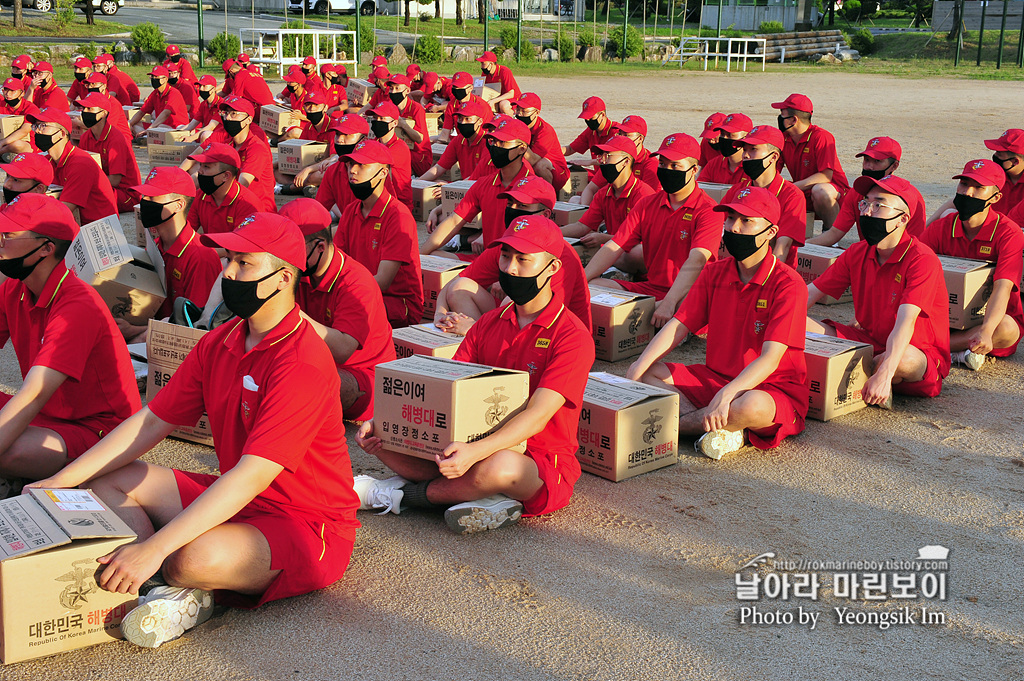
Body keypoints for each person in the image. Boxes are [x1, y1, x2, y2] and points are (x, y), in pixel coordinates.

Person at [27, 212, 360, 649]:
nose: (228, 273)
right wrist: (57, 483)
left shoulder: (302, 362)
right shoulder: (220, 340)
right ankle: (147, 582)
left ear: (282, 277)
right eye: (228, 260)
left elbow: (254, 473)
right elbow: (150, 422)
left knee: (192, 558)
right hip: (235, 494)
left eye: (244, 263)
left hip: (307, 521)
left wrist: (157, 549)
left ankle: (168, 573)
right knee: (104, 482)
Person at [354, 214, 593, 534]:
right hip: (472, 440)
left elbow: (538, 416)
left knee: (498, 467)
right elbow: (450, 385)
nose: (510, 268)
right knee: (383, 437)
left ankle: (400, 496)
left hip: (538, 459)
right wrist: (384, 420)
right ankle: (482, 496)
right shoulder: (488, 323)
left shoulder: (572, 336)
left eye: (523, 260)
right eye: (505, 256)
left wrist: (476, 453)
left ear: (552, 268)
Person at [627, 186, 808, 460]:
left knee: (750, 406)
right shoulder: (714, 272)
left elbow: (771, 360)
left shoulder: (788, 284)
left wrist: (727, 394)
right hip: (716, 377)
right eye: (730, 218)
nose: (734, 228)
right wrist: (638, 367)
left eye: (746, 221)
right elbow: (679, 325)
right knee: (650, 373)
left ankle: (671, 426)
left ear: (771, 232)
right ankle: (719, 428)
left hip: (770, 387)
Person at [0, 194, 140, 491]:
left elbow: (34, 394)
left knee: (13, 452)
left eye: (7, 235)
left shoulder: (77, 305)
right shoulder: (15, 287)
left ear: (46, 248)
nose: (0, 240)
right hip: (46, 412)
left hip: (96, 427)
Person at [806, 174, 950, 402]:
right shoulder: (857, 251)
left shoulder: (921, 259)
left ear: (902, 219)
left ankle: (876, 375)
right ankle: (860, 372)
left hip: (915, 350)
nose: (866, 211)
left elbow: (906, 322)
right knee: (796, 324)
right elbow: (810, 293)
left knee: (902, 361)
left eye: (878, 205)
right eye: (865, 203)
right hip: (868, 339)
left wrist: (884, 373)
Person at [584, 133, 723, 327]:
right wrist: (582, 281)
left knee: (681, 305)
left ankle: (650, 316)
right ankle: (642, 315)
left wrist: (669, 301)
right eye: (663, 164)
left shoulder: (708, 210)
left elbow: (697, 259)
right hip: (651, 288)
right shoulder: (647, 204)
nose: (667, 170)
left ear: (693, 170)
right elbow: (614, 246)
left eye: (675, 166)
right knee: (593, 288)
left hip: (689, 292)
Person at [283, 199, 397, 422]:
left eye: (293, 250)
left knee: (308, 379)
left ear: (320, 247)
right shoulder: (299, 271)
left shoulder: (356, 282)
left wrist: (287, 310)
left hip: (362, 376)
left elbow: (343, 349)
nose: (287, 258)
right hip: (313, 361)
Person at [434, 176, 592, 335]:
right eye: (510, 204)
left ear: (544, 214)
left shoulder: (559, 254)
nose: (513, 210)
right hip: (514, 316)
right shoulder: (508, 243)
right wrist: (440, 313)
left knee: (513, 301)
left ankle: (477, 336)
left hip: (555, 336)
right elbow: (454, 282)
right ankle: (479, 341)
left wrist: (472, 329)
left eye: (522, 206)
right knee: (459, 287)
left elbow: (540, 318)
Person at [922, 159, 1024, 370]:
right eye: (964, 184)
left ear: (996, 197)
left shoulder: (1009, 232)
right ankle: (959, 350)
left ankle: (933, 346)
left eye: (978, 188)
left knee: (1007, 330)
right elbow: (912, 268)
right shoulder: (940, 228)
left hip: (989, 318)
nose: (967, 192)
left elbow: (1003, 286)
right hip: (944, 315)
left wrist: (986, 329)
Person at [117, 167, 221, 342]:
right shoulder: (155, 246)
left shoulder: (201, 257)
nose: (144, 202)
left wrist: (133, 330)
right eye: (144, 196)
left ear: (179, 205)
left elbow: (193, 326)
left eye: (152, 197)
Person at [334, 139, 423, 327]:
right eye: (351, 164)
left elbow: (382, 282)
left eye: (361, 165)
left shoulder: (398, 216)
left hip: (397, 303)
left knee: (346, 310)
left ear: (383, 172)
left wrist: (341, 293)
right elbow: (337, 263)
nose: (353, 170)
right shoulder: (351, 210)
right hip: (362, 291)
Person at [422, 117, 535, 258]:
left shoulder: (532, 187)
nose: (495, 146)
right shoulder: (484, 184)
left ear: (522, 148)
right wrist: (419, 256)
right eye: (493, 141)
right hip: (487, 259)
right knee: (432, 255)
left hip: (516, 263)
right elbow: (454, 221)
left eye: (503, 142)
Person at [809, 136, 927, 247]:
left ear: (894, 166)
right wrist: (800, 246)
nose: (869, 166)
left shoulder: (908, 194)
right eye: (867, 160)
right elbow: (834, 233)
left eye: (877, 161)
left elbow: (916, 242)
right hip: (868, 254)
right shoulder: (856, 191)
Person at [560, 136, 653, 272]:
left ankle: (601, 263)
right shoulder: (604, 193)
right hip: (615, 247)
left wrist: (604, 238)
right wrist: (552, 232)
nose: (602, 161)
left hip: (633, 251)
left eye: (608, 156)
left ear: (626, 161)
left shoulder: (643, 195)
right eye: (602, 156)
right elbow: (581, 226)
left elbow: (642, 239)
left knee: (637, 252)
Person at [721, 125, 806, 269]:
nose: (745, 155)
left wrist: (767, 279)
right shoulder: (737, 191)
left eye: (753, 149)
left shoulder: (792, 196)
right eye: (745, 150)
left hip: (772, 274)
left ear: (773, 157)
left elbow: (782, 248)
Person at [772, 93, 849, 232]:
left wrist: (791, 188)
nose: (779, 118)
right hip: (805, 191)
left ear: (793, 120)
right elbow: (773, 171)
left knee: (820, 190)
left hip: (834, 193)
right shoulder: (783, 138)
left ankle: (830, 236)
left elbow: (825, 176)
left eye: (782, 114)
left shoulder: (821, 137)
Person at [29, 107, 117, 224]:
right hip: (76, 222)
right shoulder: (48, 160)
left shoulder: (80, 164)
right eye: (35, 126)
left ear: (62, 133)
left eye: (43, 126)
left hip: (96, 229)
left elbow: (64, 210)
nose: (37, 131)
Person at [76, 92, 142, 214]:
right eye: (83, 108)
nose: (84, 112)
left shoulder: (116, 139)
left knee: (85, 197)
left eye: (89, 108)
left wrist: (86, 185)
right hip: (103, 186)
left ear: (104, 113)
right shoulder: (86, 137)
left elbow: (115, 180)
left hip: (126, 194)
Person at [186, 143, 264, 235]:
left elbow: (239, 246)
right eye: (200, 165)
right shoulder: (200, 196)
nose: (199, 171)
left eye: (206, 166)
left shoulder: (247, 204)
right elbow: (186, 233)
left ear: (226, 176)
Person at [215, 96, 277, 212]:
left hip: (257, 211)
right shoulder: (227, 144)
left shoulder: (256, 148)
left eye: (234, 114)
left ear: (248, 120)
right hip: (235, 202)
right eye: (226, 113)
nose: (227, 118)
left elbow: (243, 184)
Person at [417, 98, 492, 183]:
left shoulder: (487, 143)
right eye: (460, 118)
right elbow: (439, 168)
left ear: (479, 121)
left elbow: (479, 176)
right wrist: (419, 182)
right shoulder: (458, 140)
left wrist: (451, 186)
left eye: (467, 119)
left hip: (480, 186)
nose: (463, 122)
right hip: (463, 186)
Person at [311, 114, 368, 218]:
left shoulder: (373, 171)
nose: (339, 140)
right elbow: (319, 209)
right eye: (337, 134)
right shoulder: (333, 171)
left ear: (363, 140)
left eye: (347, 135)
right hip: (348, 225)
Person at [512, 92, 569, 191]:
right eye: (518, 109)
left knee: (540, 166)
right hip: (536, 165)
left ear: (537, 113)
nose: (519, 114)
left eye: (524, 110)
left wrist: (519, 137)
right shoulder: (520, 125)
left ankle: (547, 197)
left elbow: (533, 159)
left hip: (556, 172)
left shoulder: (545, 131)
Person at [366, 101, 413, 211]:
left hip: (398, 204)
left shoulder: (400, 147)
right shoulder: (375, 141)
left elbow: (373, 165)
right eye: (375, 118)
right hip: (378, 200)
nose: (377, 122)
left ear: (395, 123)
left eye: (382, 119)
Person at [387, 74, 433, 176]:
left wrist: (403, 124)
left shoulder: (416, 109)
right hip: (399, 150)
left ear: (407, 91)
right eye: (391, 88)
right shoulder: (391, 107)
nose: (393, 92)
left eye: (397, 88)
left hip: (419, 156)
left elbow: (419, 138)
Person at [130, 66, 188, 138]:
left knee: (159, 127)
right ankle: (146, 137)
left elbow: (166, 113)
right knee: (135, 125)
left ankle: (147, 137)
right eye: (152, 77)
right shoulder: (155, 93)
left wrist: (150, 129)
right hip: (159, 126)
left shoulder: (173, 93)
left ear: (165, 79)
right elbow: (142, 111)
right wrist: (130, 124)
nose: (154, 79)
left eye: (156, 77)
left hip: (175, 127)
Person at [562, 96, 617, 170]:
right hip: (598, 175)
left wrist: (589, 162)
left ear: (602, 115)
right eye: (586, 118)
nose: (588, 120)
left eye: (591, 117)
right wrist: (550, 151)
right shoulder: (591, 132)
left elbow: (614, 158)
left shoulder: (616, 132)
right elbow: (570, 149)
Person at [696, 112, 751, 185]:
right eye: (722, 134)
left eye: (730, 135)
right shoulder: (713, 164)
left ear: (745, 138)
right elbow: (701, 187)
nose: (724, 138)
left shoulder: (754, 167)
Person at [435, 71, 484, 143]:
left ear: (470, 88)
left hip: (478, 142)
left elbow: (486, 135)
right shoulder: (452, 104)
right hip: (460, 140)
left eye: (460, 87)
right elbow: (445, 134)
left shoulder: (482, 105)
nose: (456, 90)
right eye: (454, 87)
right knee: (429, 140)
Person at [0, 77, 41, 160]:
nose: (8, 94)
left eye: (12, 91)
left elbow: (24, 131)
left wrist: (3, 142)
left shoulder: (31, 108)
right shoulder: (2, 104)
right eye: (6, 90)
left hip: (27, 143)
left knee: (17, 145)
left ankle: (5, 153)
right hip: (3, 141)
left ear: (22, 93)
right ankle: (9, 155)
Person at [476, 51, 521, 116]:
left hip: (512, 99)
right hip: (497, 97)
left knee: (503, 105)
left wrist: (494, 101)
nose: (482, 66)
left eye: (483, 63)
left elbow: (511, 94)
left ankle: (514, 120)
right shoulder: (485, 74)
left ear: (491, 64)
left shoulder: (504, 71)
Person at [180, 75, 223, 143]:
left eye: (204, 86)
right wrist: (178, 133)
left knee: (205, 134)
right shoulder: (203, 104)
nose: (201, 89)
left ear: (213, 89)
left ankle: (204, 153)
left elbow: (211, 126)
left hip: (220, 135)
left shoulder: (221, 104)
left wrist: (191, 138)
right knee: (180, 128)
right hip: (208, 131)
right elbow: (192, 124)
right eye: (200, 86)